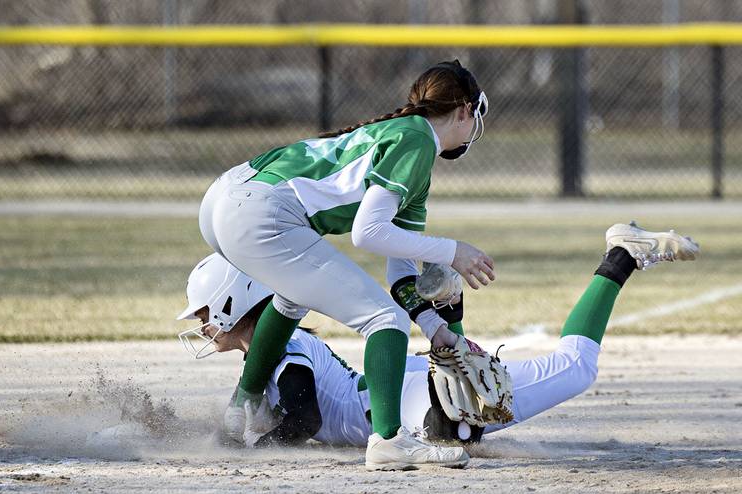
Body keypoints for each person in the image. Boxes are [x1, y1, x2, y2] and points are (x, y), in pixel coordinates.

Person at [178, 222, 700, 470]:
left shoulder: (286, 352)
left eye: (204, 313)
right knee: (451, 398)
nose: (201, 325)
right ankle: (441, 312)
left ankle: (621, 255)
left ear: (232, 301)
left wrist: (254, 446)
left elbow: (303, 418)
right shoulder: (276, 348)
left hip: (390, 402)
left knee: (574, 367)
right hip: (391, 384)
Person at [195, 59, 494, 469]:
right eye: (474, 113)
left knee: (292, 297)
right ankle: (389, 442)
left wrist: (436, 328)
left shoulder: (407, 144)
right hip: (258, 208)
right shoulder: (419, 141)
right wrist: (452, 251)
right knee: (385, 321)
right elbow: (366, 233)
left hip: (226, 197)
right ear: (463, 110)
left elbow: (401, 272)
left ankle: (241, 409)